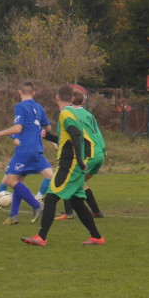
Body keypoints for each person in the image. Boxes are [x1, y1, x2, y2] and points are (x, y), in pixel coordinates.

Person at [22, 84, 104, 246]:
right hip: (74, 163)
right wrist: (51, 137)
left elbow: (75, 133)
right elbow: (69, 137)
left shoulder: (66, 113)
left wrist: (79, 160)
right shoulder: (74, 113)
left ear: (56, 98)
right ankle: (96, 237)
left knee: (51, 196)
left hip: (70, 164)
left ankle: (41, 237)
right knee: (76, 201)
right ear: (72, 99)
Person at [0, 80, 52, 225]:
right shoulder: (39, 107)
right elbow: (48, 128)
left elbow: (18, 128)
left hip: (25, 149)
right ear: (34, 93)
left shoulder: (20, 106)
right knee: (18, 181)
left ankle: (37, 205)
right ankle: (14, 216)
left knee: (11, 181)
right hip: (37, 149)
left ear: (19, 93)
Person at [57, 84, 105, 220]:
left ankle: (68, 213)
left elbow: (73, 135)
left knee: (69, 179)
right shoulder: (89, 114)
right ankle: (95, 211)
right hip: (100, 152)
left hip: (89, 153)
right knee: (79, 182)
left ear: (71, 100)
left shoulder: (72, 115)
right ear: (83, 101)